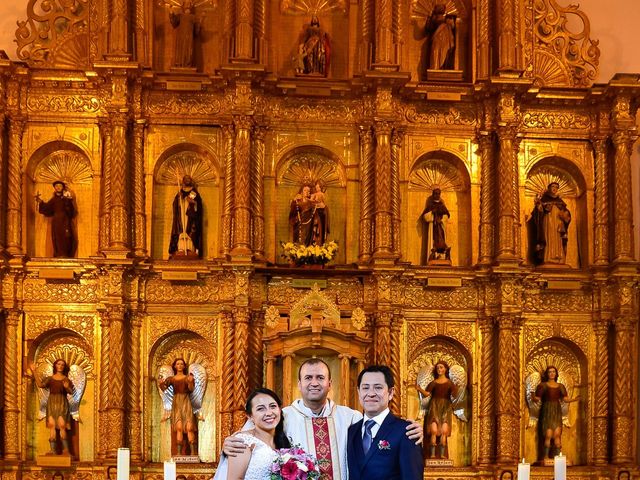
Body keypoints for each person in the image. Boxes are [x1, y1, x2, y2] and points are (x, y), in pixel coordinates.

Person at [223, 358, 423, 480]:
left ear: (330, 383)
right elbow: (250, 438)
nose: (314, 383)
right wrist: (227, 444)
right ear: (299, 384)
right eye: (308, 378)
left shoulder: (351, 417)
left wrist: (415, 428)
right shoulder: (280, 416)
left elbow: (383, 426)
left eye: (320, 378)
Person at [347, 365, 424, 480]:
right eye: (365, 388)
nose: (371, 393)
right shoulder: (351, 430)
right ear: (359, 392)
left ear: (391, 392)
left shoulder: (407, 431)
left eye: (378, 387)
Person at [220, 388, 291, 480]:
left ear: (280, 410)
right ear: (250, 416)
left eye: (273, 406)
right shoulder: (244, 441)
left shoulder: (283, 440)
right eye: (261, 409)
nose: (269, 413)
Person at [532, 365, 579, 459]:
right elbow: (537, 398)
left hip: (557, 411)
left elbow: (565, 399)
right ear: (547, 374)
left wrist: (574, 399)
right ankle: (545, 457)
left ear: (556, 374)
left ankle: (558, 457)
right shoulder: (543, 385)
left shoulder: (561, 386)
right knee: (548, 434)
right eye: (550, 372)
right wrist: (533, 396)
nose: (552, 373)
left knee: (557, 435)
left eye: (553, 371)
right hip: (547, 410)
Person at [30, 359, 75, 455]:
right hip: (51, 404)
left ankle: (66, 450)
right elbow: (40, 385)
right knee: (52, 426)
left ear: (64, 367)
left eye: (62, 365)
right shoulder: (50, 379)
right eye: (59, 364)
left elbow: (71, 392)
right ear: (55, 366)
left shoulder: (66, 379)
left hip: (62, 403)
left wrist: (67, 387)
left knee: (62, 425)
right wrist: (34, 371)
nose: (60, 366)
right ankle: (52, 451)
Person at [416, 361, 457, 459]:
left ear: (445, 369)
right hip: (434, 407)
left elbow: (454, 395)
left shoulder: (450, 383)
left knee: (444, 431)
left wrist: (458, 388)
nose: (439, 370)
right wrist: (419, 389)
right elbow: (427, 394)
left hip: (445, 408)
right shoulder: (434, 383)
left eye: (441, 367)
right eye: (438, 368)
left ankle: (442, 455)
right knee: (434, 430)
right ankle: (432, 455)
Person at [157, 358, 197, 455]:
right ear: (175, 366)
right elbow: (164, 389)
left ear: (184, 366)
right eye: (177, 364)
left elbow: (191, 389)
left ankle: (193, 453)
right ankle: (178, 453)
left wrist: (191, 382)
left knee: (189, 428)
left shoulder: (188, 377)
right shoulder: (172, 379)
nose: (179, 366)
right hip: (177, 403)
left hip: (186, 402)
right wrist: (161, 382)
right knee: (179, 427)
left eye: (181, 364)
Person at [528, 182, 571, 265]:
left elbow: (567, 214)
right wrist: (538, 206)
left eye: (556, 187)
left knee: (558, 238)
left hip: (558, 222)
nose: (554, 188)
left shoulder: (560, 201)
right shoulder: (544, 199)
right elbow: (538, 212)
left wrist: (565, 216)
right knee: (549, 236)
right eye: (553, 187)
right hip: (548, 221)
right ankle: (548, 257)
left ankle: (559, 257)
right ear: (549, 188)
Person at [35, 180, 77, 257]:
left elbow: (71, 212)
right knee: (57, 238)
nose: (58, 187)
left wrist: (67, 201)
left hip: (65, 221)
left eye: (60, 186)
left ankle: (65, 254)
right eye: (56, 186)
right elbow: (47, 208)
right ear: (54, 188)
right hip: (56, 222)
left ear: (63, 188)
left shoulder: (66, 198)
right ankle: (59, 254)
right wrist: (41, 202)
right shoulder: (54, 199)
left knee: (67, 237)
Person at [169, 175, 203, 258]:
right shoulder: (180, 192)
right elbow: (175, 205)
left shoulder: (194, 192)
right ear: (183, 181)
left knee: (191, 230)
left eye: (189, 179)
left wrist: (193, 203)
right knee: (181, 230)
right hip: (181, 215)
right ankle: (180, 248)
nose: (188, 180)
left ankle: (190, 248)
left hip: (190, 217)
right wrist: (178, 199)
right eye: (186, 179)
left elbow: (198, 206)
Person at [420, 187, 451, 263]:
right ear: (433, 195)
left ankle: (442, 255)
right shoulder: (430, 205)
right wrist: (431, 214)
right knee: (433, 241)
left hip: (440, 226)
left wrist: (442, 220)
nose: (437, 195)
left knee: (441, 239)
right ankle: (433, 255)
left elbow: (447, 215)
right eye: (435, 193)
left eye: (438, 194)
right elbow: (425, 217)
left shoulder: (442, 205)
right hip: (433, 226)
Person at [170, 0, 201, 68]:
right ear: (183, 7)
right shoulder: (180, 16)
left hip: (189, 38)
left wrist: (200, 23)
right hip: (180, 37)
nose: (187, 7)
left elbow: (196, 32)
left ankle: (187, 65)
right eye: (186, 5)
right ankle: (179, 64)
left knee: (188, 50)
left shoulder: (193, 17)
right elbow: (174, 23)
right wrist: (171, 12)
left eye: (189, 5)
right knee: (180, 51)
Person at [311, 181, 330, 245]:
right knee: (315, 226)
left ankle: (321, 240)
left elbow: (325, 203)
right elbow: (311, 202)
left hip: (321, 212)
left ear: (320, 187)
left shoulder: (322, 194)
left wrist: (321, 205)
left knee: (320, 226)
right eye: (316, 187)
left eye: (318, 187)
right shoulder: (314, 194)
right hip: (316, 211)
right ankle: (314, 240)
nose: (317, 188)